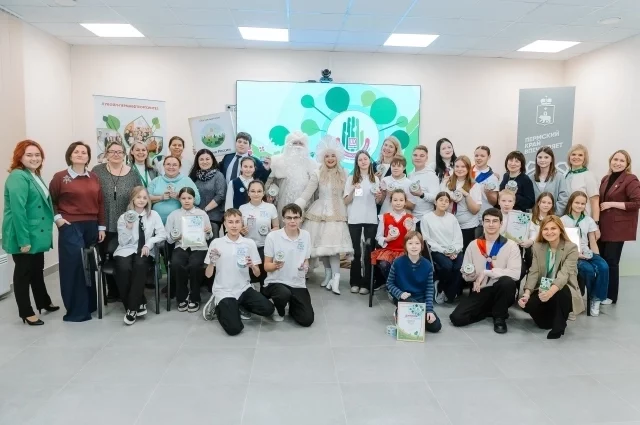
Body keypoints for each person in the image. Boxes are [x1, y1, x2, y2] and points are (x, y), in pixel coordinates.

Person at [2, 140, 59, 325]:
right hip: (24, 233)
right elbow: (18, 211)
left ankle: (43, 301)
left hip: (36, 233)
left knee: (37, 269)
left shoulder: (34, 175)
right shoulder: (18, 176)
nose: (34, 158)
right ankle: (26, 312)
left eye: (37, 155)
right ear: (20, 157)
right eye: (29, 155)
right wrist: (23, 240)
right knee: (23, 273)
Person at [50, 142, 106, 322]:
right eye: (76, 152)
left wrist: (101, 226)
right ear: (70, 155)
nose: (80, 154)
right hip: (70, 225)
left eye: (84, 152)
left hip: (91, 225)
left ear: (88, 157)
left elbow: (100, 203)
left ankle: (89, 305)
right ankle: (77, 311)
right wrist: (57, 219)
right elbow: (51, 200)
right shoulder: (60, 177)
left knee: (88, 266)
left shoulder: (94, 177)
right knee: (74, 266)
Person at [202, 209, 275, 335]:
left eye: (237, 222)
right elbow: (208, 275)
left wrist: (253, 266)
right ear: (225, 224)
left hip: (243, 288)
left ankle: (237, 306)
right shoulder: (216, 243)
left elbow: (258, 274)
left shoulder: (249, 243)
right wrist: (212, 262)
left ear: (242, 224)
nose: (234, 225)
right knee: (234, 328)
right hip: (224, 291)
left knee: (268, 309)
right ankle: (218, 304)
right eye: (230, 222)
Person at [296, 135, 354, 294]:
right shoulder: (317, 173)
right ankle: (328, 275)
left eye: (333, 155)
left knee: (333, 248)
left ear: (338, 157)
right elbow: (308, 192)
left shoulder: (344, 173)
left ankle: (336, 278)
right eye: (327, 156)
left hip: (337, 213)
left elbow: (348, 194)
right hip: (320, 211)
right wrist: (296, 206)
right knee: (323, 247)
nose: (330, 158)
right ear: (322, 157)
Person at [449, 208, 521, 334]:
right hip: (481, 290)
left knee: (506, 281)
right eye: (487, 221)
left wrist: (486, 272)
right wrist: (471, 275)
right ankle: (490, 310)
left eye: (495, 221)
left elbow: (515, 274)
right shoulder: (473, 245)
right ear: (482, 223)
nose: (491, 224)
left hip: (503, 291)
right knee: (457, 318)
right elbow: (466, 274)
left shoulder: (511, 245)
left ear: (501, 223)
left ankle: (500, 318)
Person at [92, 140, 142, 301]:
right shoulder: (97, 171)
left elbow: (139, 196)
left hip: (127, 224)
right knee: (107, 256)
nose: (116, 154)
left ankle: (125, 289)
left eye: (119, 152)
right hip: (104, 223)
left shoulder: (133, 173)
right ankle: (112, 290)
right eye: (112, 151)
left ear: (124, 154)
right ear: (106, 154)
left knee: (124, 258)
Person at [519, 216, 582, 339]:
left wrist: (550, 292)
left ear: (560, 230)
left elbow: (564, 275)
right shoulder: (537, 247)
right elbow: (533, 272)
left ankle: (559, 326)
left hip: (562, 288)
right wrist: (526, 294)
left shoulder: (571, 248)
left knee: (562, 291)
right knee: (531, 310)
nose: (549, 232)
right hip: (542, 287)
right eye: (545, 229)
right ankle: (554, 315)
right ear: (541, 231)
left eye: (553, 228)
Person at [113, 186, 166, 325]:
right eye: (138, 197)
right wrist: (128, 228)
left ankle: (131, 309)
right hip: (126, 249)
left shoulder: (153, 215)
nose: (141, 200)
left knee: (140, 265)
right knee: (123, 268)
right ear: (132, 199)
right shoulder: (124, 217)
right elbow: (122, 242)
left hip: (144, 250)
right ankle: (139, 302)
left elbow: (162, 234)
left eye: (144, 197)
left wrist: (149, 243)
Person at [598, 149, 640, 305]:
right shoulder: (605, 178)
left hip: (618, 228)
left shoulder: (630, 179)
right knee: (601, 260)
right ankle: (601, 292)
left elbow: (637, 203)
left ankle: (611, 296)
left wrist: (612, 204)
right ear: (610, 161)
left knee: (611, 261)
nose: (617, 163)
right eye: (615, 159)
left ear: (627, 164)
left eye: (622, 160)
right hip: (603, 225)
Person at [262, 203, 314, 326]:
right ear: (283, 219)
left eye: (295, 217)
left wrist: (305, 267)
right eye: (289, 218)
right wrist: (275, 265)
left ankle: (292, 304)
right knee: (283, 293)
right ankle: (279, 310)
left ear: (301, 219)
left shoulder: (306, 235)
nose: (292, 221)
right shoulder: (273, 236)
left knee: (306, 320)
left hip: (297, 283)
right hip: (276, 282)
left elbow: (306, 260)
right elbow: (266, 266)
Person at [165, 187, 213, 312]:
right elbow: (168, 238)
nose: (186, 201)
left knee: (195, 265)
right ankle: (182, 297)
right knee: (176, 264)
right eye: (183, 198)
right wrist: (175, 237)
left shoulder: (202, 214)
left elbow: (209, 235)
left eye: (189, 198)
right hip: (181, 246)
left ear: (194, 199)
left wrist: (208, 231)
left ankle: (194, 298)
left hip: (199, 247)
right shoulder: (174, 215)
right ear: (179, 199)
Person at [561, 191, 609, 316]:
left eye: (583, 204)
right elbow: (561, 243)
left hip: (587, 252)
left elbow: (592, 241)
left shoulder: (588, 220)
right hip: (572, 254)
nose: (579, 206)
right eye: (577, 203)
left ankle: (596, 299)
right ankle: (585, 296)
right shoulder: (563, 220)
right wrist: (575, 254)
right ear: (571, 203)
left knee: (603, 266)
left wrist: (597, 257)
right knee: (588, 270)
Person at [387, 231, 442, 333]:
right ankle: (400, 311)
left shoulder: (427, 265)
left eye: (417, 243)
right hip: (403, 298)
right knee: (412, 309)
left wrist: (429, 310)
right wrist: (400, 293)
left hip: (420, 300)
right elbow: (389, 283)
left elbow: (429, 290)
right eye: (410, 243)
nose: (414, 246)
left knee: (436, 326)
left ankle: (409, 315)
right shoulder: (397, 262)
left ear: (421, 246)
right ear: (405, 246)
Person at [344, 150, 381, 294]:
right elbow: (346, 201)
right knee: (356, 252)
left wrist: (379, 197)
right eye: (360, 160)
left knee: (368, 253)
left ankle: (366, 284)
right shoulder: (351, 178)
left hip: (370, 220)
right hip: (354, 219)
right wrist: (353, 190)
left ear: (370, 160)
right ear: (357, 163)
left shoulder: (375, 179)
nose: (363, 161)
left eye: (365, 159)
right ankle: (354, 281)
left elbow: (377, 201)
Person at [265, 131, 317, 225]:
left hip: (306, 205)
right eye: (294, 143)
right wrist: (270, 193)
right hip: (283, 203)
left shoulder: (312, 164)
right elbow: (269, 183)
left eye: (301, 143)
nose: (298, 146)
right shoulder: (277, 161)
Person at [421, 192, 463, 304]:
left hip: (454, 249)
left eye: (446, 201)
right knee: (447, 266)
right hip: (437, 250)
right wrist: (444, 251)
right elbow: (427, 239)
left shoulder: (452, 218)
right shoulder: (426, 218)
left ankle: (449, 294)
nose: (443, 203)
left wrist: (454, 250)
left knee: (459, 267)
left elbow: (458, 237)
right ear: (435, 202)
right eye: (441, 200)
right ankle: (440, 287)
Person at [239, 180, 279, 289]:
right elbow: (238, 229)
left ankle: (264, 291)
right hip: (248, 246)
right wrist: (241, 231)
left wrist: (271, 232)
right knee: (248, 274)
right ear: (248, 193)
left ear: (263, 193)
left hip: (265, 246)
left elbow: (276, 227)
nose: (256, 194)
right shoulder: (242, 208)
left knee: (264, 276)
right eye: (253, 191)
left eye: (259, 191)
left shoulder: (270, 208)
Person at [373, 189, 415, 289]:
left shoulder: (410, 218)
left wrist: (409, 233)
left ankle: (398, 287)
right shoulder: (384, 217)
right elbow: (378, 236)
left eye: (401, 200)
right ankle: (393, 286)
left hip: (404, 251)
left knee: (403, 265)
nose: (398, 203)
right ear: (391, 202)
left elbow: (413, 239)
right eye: (395, 200)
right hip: (389, 250)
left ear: (405, 202)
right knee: (384, 265)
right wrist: (387, 239)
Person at [441, 155, 482, 251]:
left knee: (465, 253)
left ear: (468, 168)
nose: (459, 169)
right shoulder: (447, 182)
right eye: (457, 166)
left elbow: (475, 210)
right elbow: (440, 203)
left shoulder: (474, 185)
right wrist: (448, 198)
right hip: (450, 226)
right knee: (451, 252)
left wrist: (466, 195)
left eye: (463, 166)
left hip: (467, 227)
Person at [148, 156, 200, 224]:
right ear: (163, 166)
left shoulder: (187, 180)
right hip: (157, 222)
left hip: (180, 222)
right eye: (168, 164)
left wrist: (180, 197)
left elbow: (197, 200)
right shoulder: (156, 181)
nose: (171, 167)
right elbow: (146, 198)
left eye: (175, 165)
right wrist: (161, 197)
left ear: (179, 167)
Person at [189, 148, 226, 238]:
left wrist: (204, 210)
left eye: (207, 159)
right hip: (195, 216)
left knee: (212, 243)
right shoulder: (193, 176)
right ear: (197, 161)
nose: (204, 162)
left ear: (212, 160)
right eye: (201, 159)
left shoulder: (218, 175)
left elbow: (220, 196)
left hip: (213, 217)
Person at [528, 146, 569, 214]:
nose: (542, 160)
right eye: (540, 157)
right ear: (536, 159)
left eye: (546, 157)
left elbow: (563, 198)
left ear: (551, 159)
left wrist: (555, 215)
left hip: (553, 216)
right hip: (534, 217)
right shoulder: (531, 178)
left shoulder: (559, 177)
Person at [408, 145, 440, 234]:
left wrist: (421, 194)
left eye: (421, 156)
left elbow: (436, 198)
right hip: (411, 219)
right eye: (415, 155)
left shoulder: (431, 176)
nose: (418, 158)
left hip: (426, 220)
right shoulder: (410, 175)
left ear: (426, 158)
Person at [566, 144, 600, 221]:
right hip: (567, 219)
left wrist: (596, 223)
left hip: (584, 220)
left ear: (585, 158)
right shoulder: (566, 175)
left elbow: (595, 201)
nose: (576, 157)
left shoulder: (589, 176)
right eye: (573, 154)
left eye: (580, 155)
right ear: (569, 157)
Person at [472, 146, 500, 216]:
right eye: (476, 155)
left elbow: (494, 202)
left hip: (484, 214)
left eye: (482, 156)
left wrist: (488, 193)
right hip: (469, 214)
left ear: (489, 157)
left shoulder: (492, 177)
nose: (479, 158)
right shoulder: (466, 172)